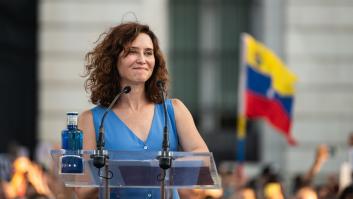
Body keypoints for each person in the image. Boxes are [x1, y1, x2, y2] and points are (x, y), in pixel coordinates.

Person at [76, 22, 209, 198]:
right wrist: (133, 173)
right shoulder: (91, 119)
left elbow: (204, 160)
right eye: (132, 51)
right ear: (113, 59)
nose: (142, 59)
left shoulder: (174, 110)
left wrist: (154, 170)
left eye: (148, 53)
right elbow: (82, 189)